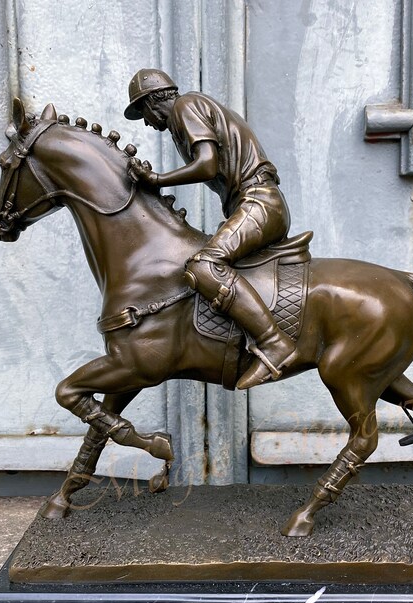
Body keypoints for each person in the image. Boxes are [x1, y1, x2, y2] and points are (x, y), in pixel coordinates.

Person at [124, 68, 296, 390]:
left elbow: (207, 165)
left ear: (152, 100)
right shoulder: (188, 112)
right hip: (251, 204)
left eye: (142, 111)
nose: (146, 122)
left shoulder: (184, 107)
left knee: (204, 265)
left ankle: (273, 342)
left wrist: (157, 180)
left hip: (258, 202)